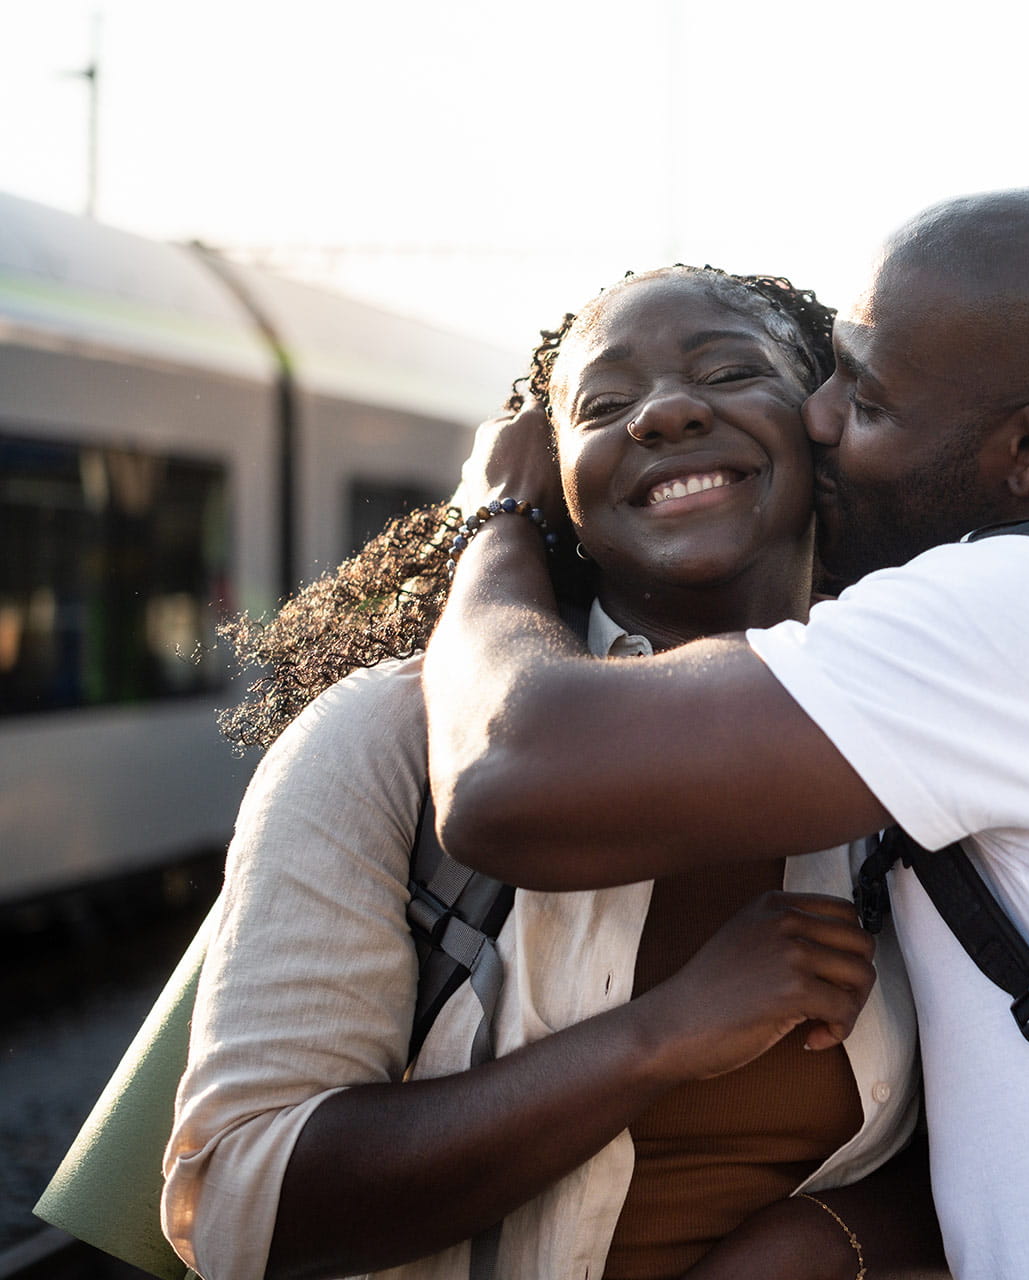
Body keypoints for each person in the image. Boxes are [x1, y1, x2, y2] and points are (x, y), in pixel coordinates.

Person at [423, 190, 1029, 1278]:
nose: (822, 417)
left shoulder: (1028, 610)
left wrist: (497, 524)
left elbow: (507, 773)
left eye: (871, 398)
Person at [163, 266, 936, 1280]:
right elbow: (240, 1203)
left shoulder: (931, 737)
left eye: (731, 369)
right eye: (606, 405)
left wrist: (823, 1240)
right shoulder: (388, 736)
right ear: (557, 485)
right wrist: (661, 1035)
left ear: (826, 423)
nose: (665, 413)